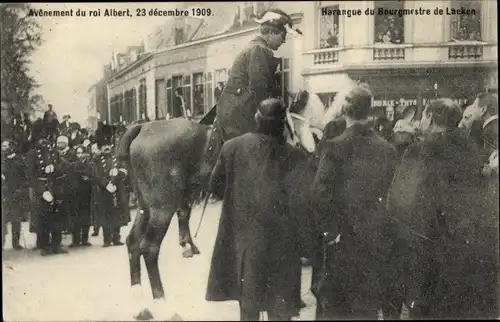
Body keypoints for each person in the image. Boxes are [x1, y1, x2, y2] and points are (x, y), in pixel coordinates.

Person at [385, 98, 498, 319]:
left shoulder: (419, 151)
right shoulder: (473, 150)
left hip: (425, 254)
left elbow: (399, 202)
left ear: (431, 118)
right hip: (465, 255)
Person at [206, 98, 313, 321]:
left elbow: (215, 187)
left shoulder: (232, 147)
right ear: (283, 123)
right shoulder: (296, 156)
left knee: (249, 307)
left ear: (256, 119)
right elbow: (304, 204)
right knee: (280, 311)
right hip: (283, 248)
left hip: (245, 244)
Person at [310, 84, 398, 320]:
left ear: (344, 110)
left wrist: (330, 232)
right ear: (369, 110)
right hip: (373, 240)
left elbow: (319, 194)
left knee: (336, 307)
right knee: (365, 308)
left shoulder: (334, 146)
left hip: (341, 242)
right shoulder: (387, 149)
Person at [215, 9, 301, 141]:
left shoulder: (256, 48)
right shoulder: (259, 50)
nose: (283, 41)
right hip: (240, 111)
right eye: (283, 36)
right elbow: (260, 89)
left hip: (232, 107)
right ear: (271, 33)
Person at [91, 124, 130, 247]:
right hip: (104, 191)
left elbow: (124, 170)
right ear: (100, 147)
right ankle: (107, 239)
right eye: (104, 146)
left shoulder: (116, 157)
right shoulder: (96, 160)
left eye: (108, 145)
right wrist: (105, 184)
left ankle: (116, 237)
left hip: (118, 189)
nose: (106, 148)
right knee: (106, 215)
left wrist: (118, 173)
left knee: (117, 213)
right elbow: (95, 176)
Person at [1, 139, 28, 250]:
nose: (3, 148)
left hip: (16, 193)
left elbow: (25, 177)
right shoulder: (2, 160)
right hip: (4, 193)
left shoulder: (20, 160)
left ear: (12, 147)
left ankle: (15, 243)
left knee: (16, 219)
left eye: (5, 146)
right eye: (2, 146)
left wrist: (20, 190)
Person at [68, 145, 93, 247]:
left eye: (81, 153)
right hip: (75, 194)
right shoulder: (73, 164)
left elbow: (91, 176)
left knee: (86, 217)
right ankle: (76, 240)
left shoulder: (90, 164)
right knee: (76, 217)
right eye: (77, 153)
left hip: (86, 193)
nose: (79, 155)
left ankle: (84, 239)